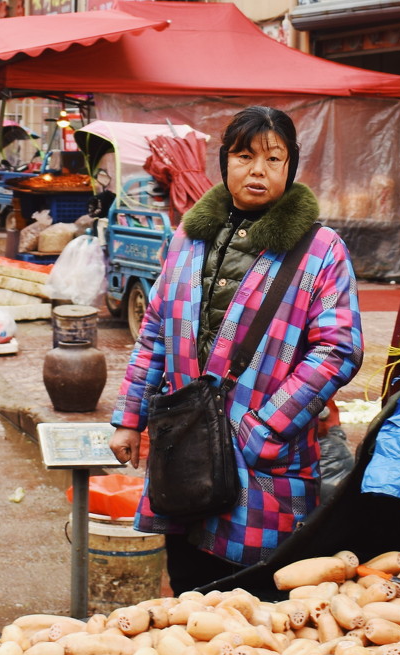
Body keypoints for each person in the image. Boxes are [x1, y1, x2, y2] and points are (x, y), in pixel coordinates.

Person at [107, 106, 363, 593]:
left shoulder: (322, 250)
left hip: (264, 456)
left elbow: (338, 349)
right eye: (244, 156)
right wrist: (129, 419)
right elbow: (156, 330)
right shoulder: (187, 238)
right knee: (186, 583)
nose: (258, 170)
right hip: (185, 445)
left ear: (291, 166)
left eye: (273, 157)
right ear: (224, 162)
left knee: (254, 601)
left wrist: (263, 428)